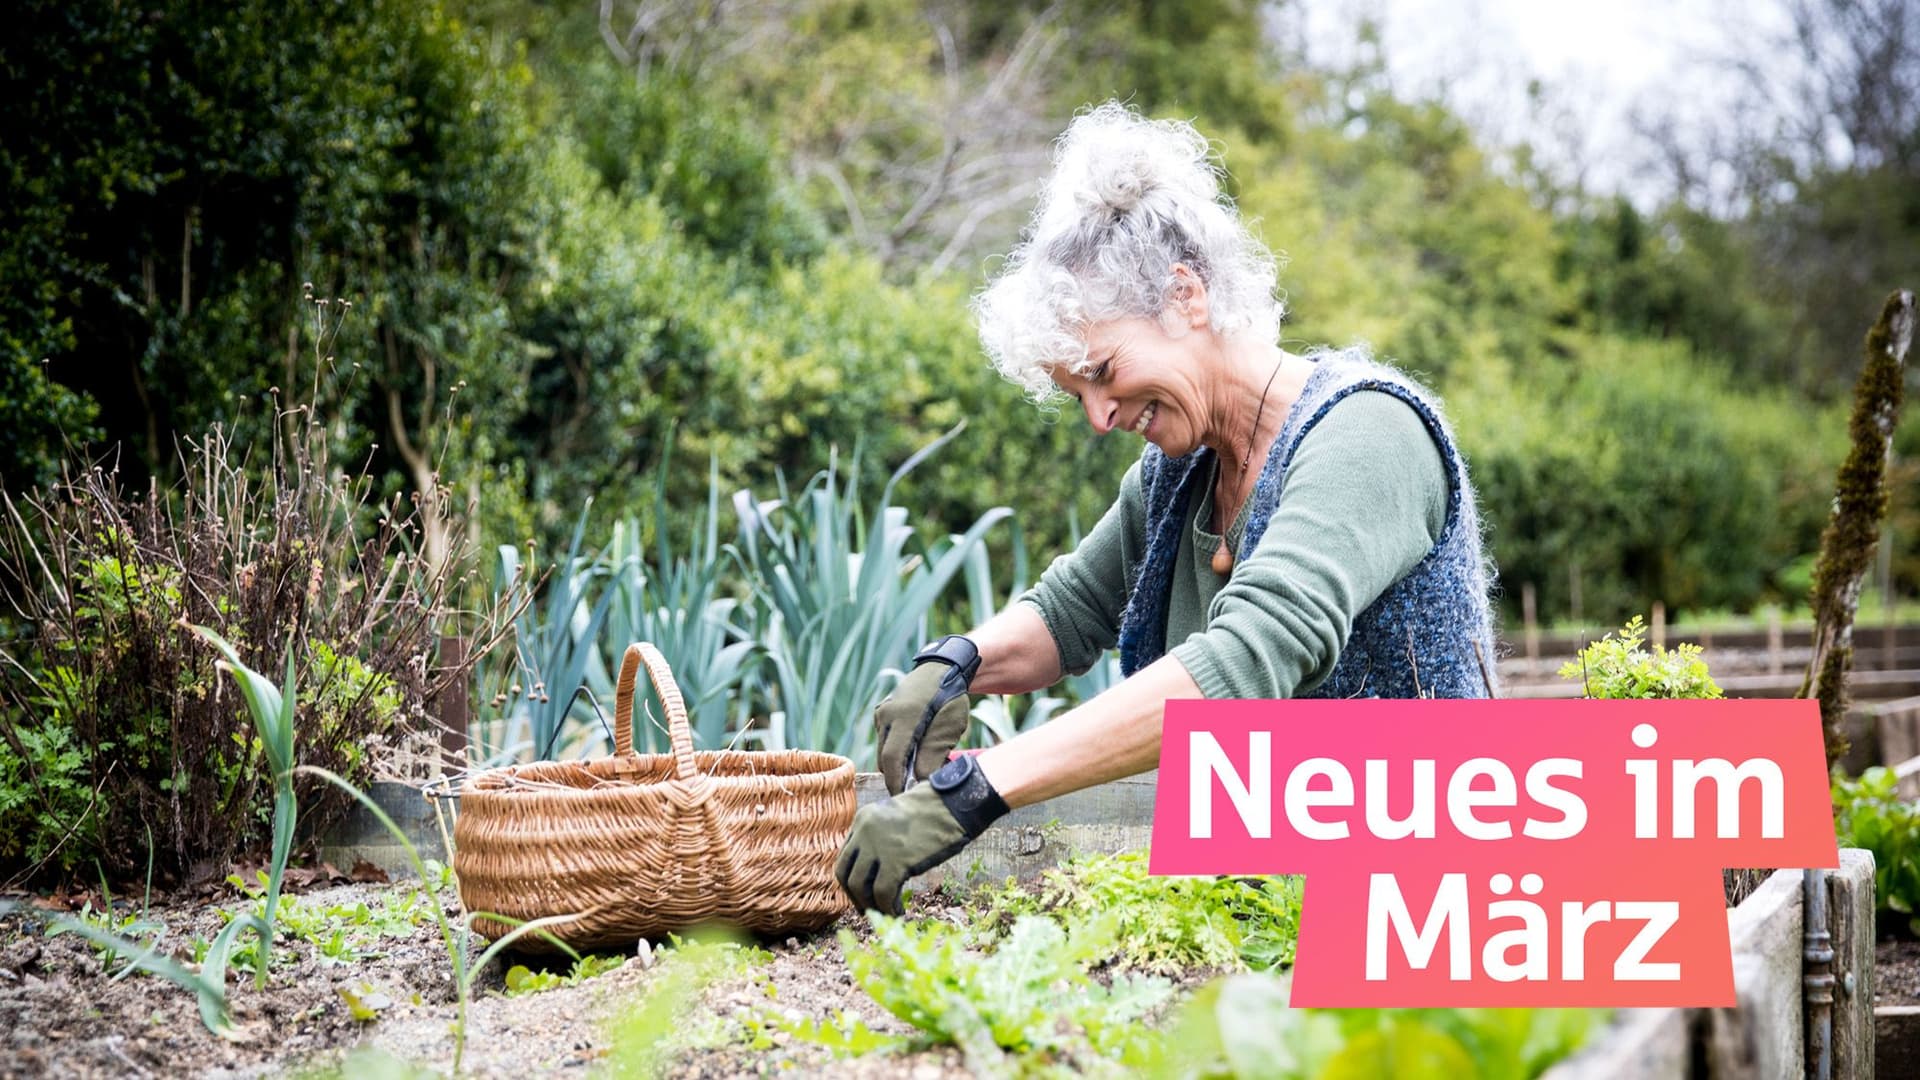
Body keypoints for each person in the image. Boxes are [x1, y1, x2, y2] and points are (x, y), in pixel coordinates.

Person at [834, 103, 1498, 915]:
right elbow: (1073, 610)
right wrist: (956, 665)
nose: (1098, 416)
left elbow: (1249, 657)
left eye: (1104, 370)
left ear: (1186, 296)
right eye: (1075, 392)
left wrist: (979, 789)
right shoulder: (1179, 472)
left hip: (1423, 901)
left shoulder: (1368, 431)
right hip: (1266, 907)